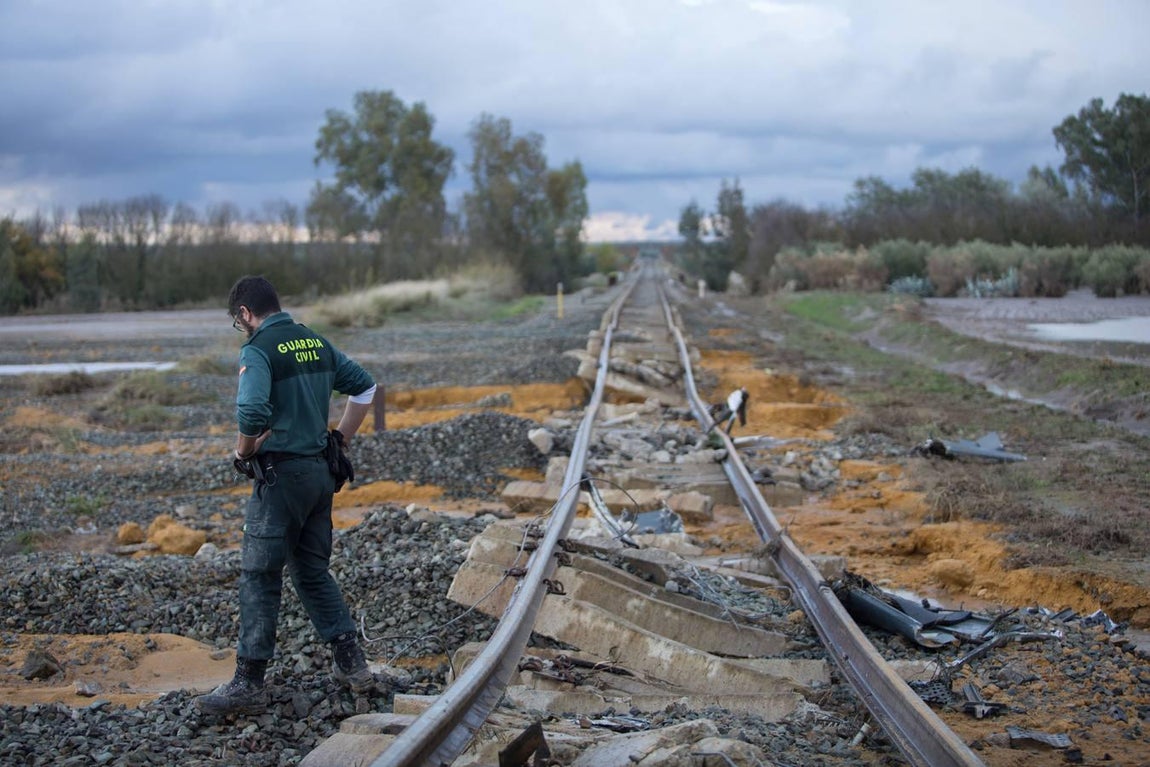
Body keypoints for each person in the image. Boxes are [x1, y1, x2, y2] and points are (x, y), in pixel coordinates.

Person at [196, 275, 379, 715]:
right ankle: (353, 666)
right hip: (319, 476)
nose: (241, 329)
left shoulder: (257, 349)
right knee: (312, 570)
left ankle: (248, 683)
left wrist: (243, 450)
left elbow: (253, 409)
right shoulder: (314, 341)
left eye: (238, 321)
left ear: (245, 313)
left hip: (280, 480)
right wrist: (341, 439)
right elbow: (366, 387)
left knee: (260, 574)